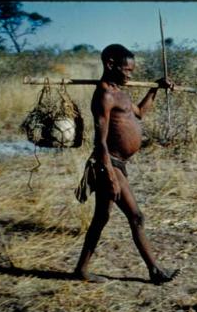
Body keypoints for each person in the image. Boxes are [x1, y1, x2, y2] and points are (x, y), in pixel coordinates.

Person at [74, 44, 179, 284]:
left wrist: (155, 87)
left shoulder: (120, 91)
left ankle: (81, 269)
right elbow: (99, 141)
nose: (129, 75)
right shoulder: (105, 94)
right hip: (107, 162)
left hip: (117, 164)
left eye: (132, 71)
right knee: (136, 217)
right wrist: (110, 175)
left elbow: (140, 113)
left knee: (101, 218)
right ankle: (155, 271)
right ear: (110, 65)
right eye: (126, 70)